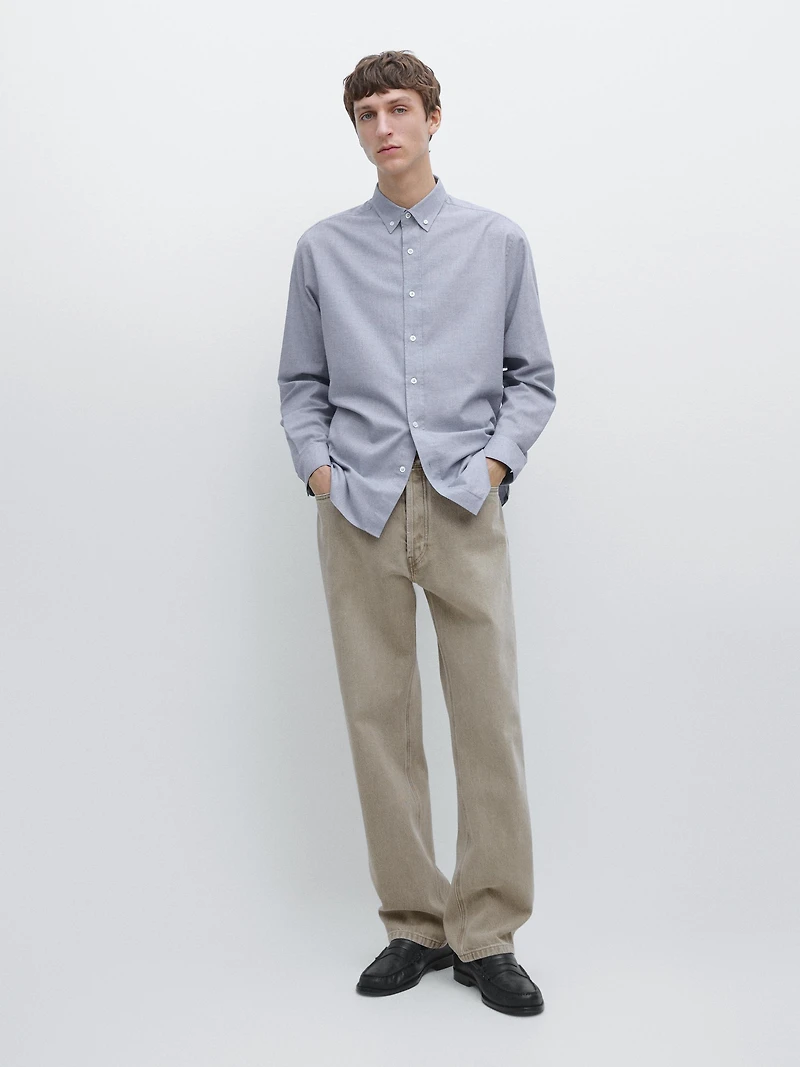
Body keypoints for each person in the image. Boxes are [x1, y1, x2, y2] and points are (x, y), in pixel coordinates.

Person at [277, 50, 556, 1017]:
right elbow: (300, 383)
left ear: (434, 117)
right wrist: (320, 470)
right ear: (356, 128)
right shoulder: (322, 250)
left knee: (489, 719)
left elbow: (532, 377)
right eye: (367, 113)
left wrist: (495, 465)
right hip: (357, 506)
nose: (383, 127)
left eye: (399, 108)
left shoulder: (497, 241)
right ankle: (414, 922)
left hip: (464, 503)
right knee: (377, 717)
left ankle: (489, 932)